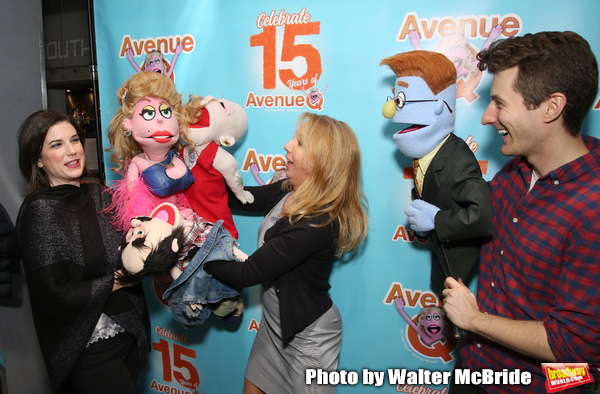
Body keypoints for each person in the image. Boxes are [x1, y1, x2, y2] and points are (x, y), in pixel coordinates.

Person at [442, 31, 600, 393]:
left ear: (551, 107)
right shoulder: (514, 175)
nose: (486, 117)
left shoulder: (593, 207)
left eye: (500, 103)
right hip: (474, 371)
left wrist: (474, 320)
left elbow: (573, 345)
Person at [204, 112, 369, 394]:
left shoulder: (317, 222)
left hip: (308, 337)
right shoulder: (289, 190)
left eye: (300, 142)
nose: (287, 146)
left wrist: (197, 259)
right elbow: (240, 197)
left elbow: (247, 273)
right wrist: (197, 173)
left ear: (320, 161)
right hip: (274, 324)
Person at [15, 110, 151, 393]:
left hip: (128, 332)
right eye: (56, 145)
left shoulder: (100, 194)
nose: (71, 151)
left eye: (74, 140)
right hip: (89, 349)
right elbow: (55, 292)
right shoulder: (39, 213)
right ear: (38, 160)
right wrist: (119, 279)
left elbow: (132, 247)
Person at [380, 50, 492, 290]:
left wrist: (436, 220)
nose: (389, 110)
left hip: (457, 262)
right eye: (394, 99)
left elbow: (482, 216)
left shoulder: (457, 159)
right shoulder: (426, 150)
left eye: (401, 100)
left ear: (441, 106)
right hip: (441, 254)